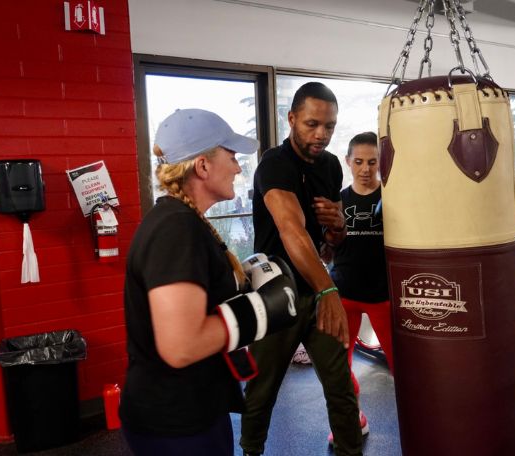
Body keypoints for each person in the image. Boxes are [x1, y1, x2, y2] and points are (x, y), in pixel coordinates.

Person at [120, 108, 299, 455]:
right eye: (231, 156)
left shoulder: (183, 220)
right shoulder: (176, 228)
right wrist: (261, 312)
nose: (237, 166)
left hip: (191, 408)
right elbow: (181, 346)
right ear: (202, 166)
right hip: (175, 421)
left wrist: (240, 285)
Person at [240, 82, 363, 456]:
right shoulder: (274, 165)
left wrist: (338, 227)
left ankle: (349, 450)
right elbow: (290, 229)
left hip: (315, 288)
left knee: (339, 384)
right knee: (261, 390)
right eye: (312, 124)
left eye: (329, 126)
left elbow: (328, 245)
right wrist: (330, 291)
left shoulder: (329, 167)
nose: (321, 134)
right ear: (292, 119)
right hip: (276, 294)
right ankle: (250, 451)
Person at [327, 131, 394, 444]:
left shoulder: (392, 197)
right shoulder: (337, 201)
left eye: (372, 162)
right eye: (358, 162)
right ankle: (352, 417)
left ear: (380, 162)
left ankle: (423, 420)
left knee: (403, 366)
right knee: (340, 364)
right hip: (345, 295)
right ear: (348, 162)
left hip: (382, 295)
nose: (365, 168)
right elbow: (325, 247)